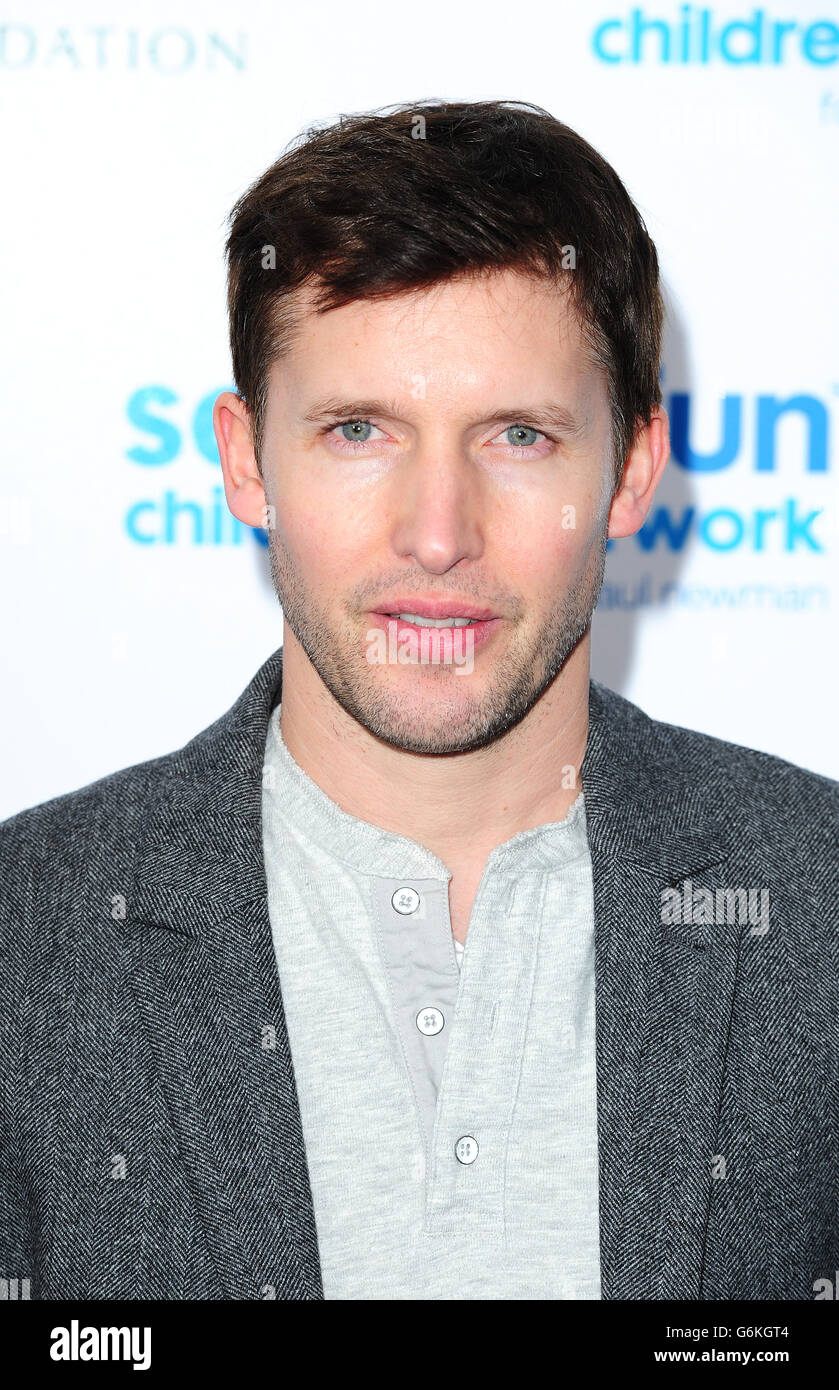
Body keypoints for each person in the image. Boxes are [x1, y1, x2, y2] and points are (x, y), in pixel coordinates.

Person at [1, 100, 836, 1302]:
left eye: (515, 435)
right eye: (356, 430)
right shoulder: (28, 939)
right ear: (245, 462)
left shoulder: (814, 899)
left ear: (632, 470)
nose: (436, 536)